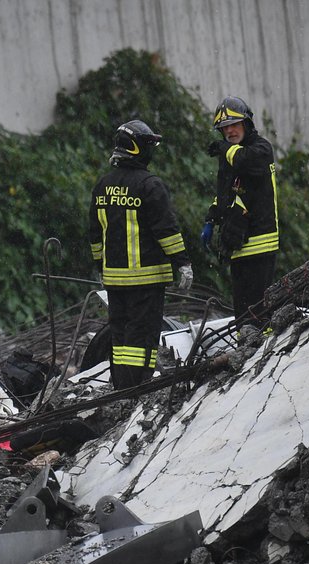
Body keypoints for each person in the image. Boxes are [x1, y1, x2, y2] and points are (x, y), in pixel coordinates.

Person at [89, 120, 193, 391]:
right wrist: (182, 262)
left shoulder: (103, 185)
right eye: (148, 145)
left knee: (120, 337)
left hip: (114, 281)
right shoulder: (150, 185)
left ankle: (121, 388)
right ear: (136, 148)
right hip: (145, 281)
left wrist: (101, 266)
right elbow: (166, 231)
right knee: (142, 338)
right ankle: (137, 390)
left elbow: (94, 234)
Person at [202, 96, 279, 321]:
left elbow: (244, 162)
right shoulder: (230, 154)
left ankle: (264, 351)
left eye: (234, 125)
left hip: (260, 243)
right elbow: (226, 192)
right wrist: (211, 219)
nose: (230, 131)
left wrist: (225, 149)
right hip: (238, 246)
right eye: (225, 128)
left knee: (259, 313)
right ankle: (246, 352)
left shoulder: (261, 148)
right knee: (242, 315)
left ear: (246, 124)